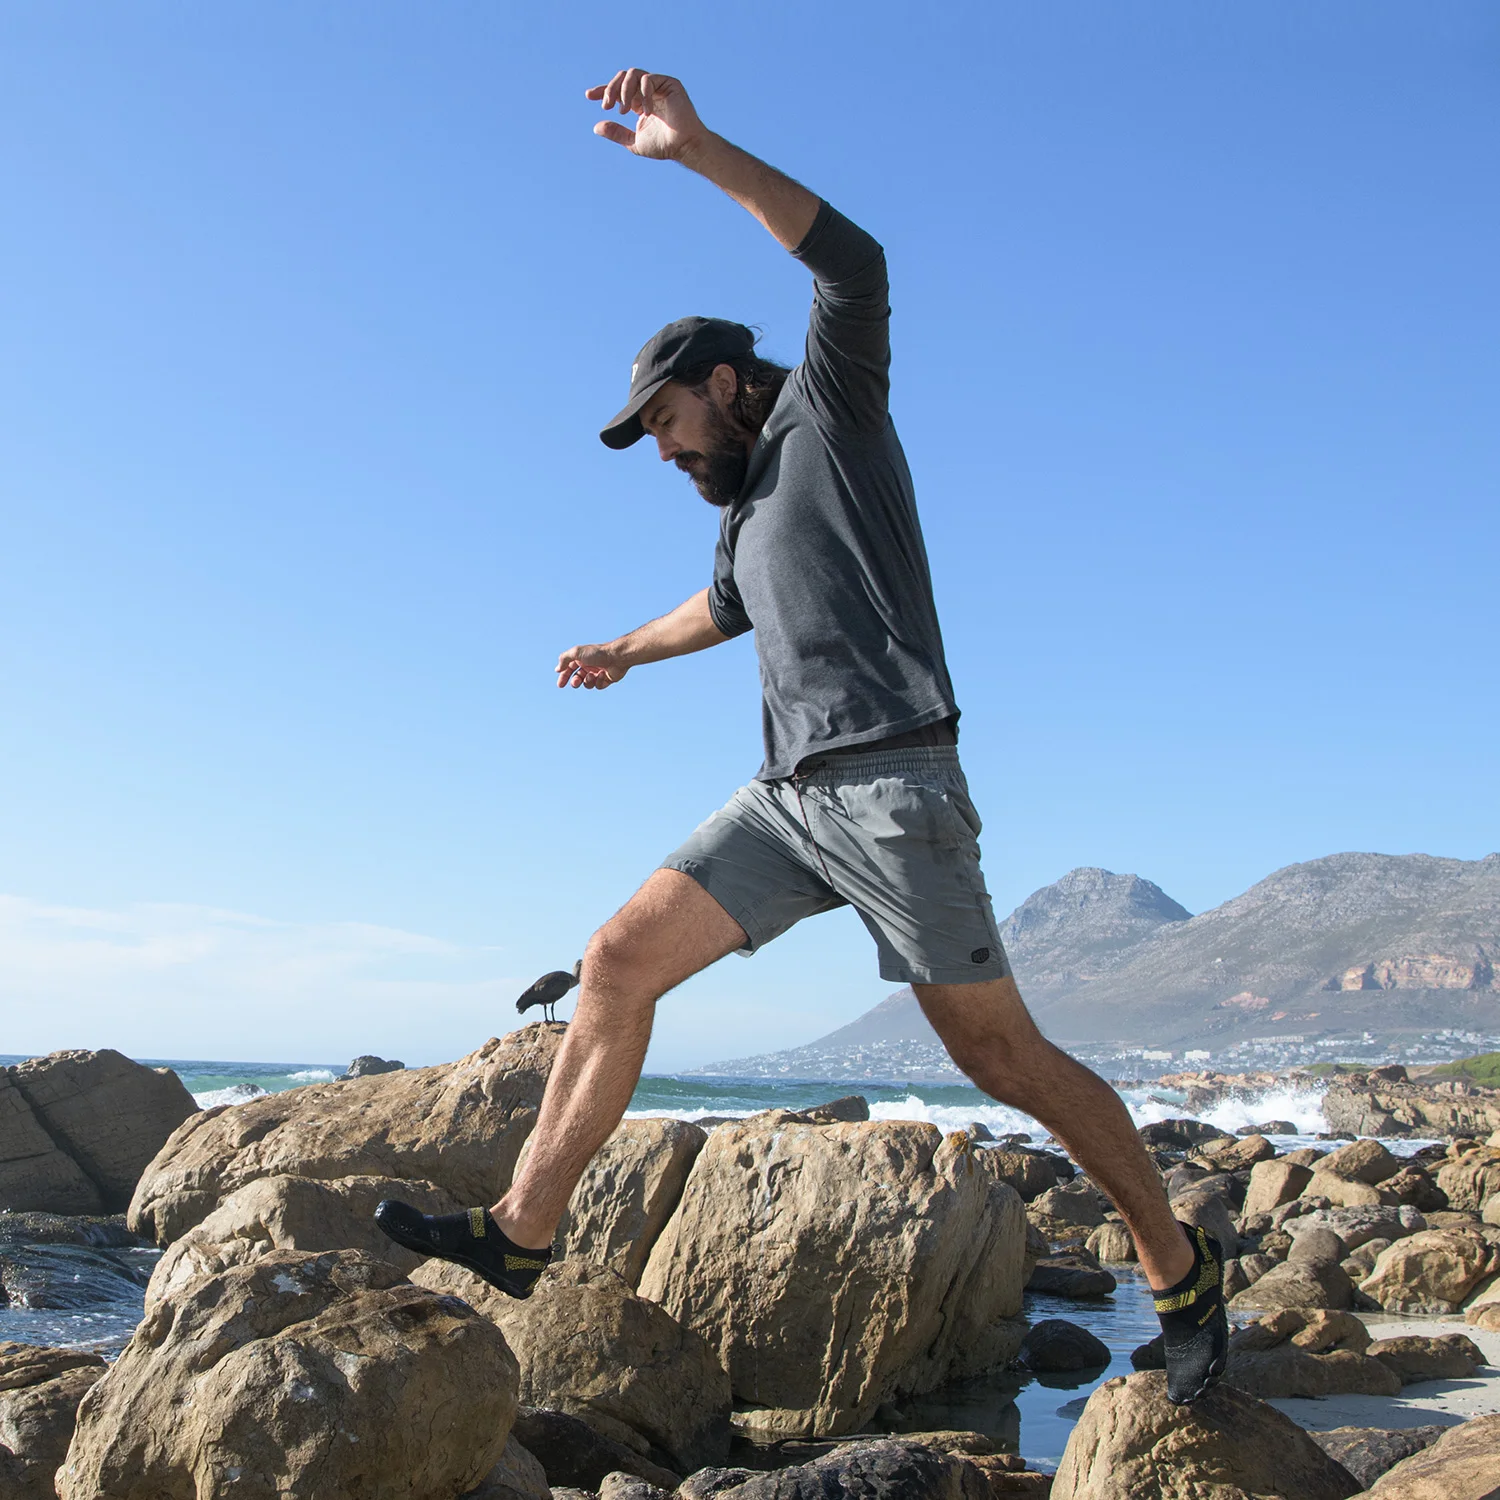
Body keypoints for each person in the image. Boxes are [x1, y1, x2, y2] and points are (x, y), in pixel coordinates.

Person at [376, 69, 1228, 1404]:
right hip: (785, 801)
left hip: (895, 784)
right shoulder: (740, 512)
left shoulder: (833, 408)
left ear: (725, 383)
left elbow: (857, 263)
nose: (660, 446)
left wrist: (698, 150)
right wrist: (621, 649)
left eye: (665, 418)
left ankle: (1178, 1265)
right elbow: (720, 609)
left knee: (999, 1058)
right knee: (614, 959)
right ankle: (522, 1234)